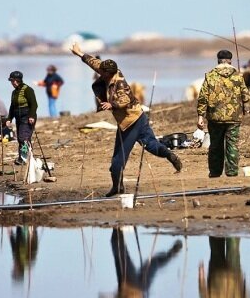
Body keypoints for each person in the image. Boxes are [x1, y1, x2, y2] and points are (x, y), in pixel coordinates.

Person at [70, 43, 181, 197]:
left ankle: (117, 187)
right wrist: (80, 53)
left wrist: (111, 104)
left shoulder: (119, 83)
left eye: (102, 72)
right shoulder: (110, 70)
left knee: (117, 160)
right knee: (151, 144)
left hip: (129, 123)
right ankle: (169, 155)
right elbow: (94, 63)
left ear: (108, 74)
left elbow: (125, 100)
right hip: (139, 117)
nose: (99, 72)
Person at [197, 50, 250, 178]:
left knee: (215, 145)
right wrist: (246, 108)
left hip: (215, 118)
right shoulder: (238, 75)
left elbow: (203, 97)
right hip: (234, 117)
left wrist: (200, 116)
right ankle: (232, 172)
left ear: (218, 60)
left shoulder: (210, 75)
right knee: (232, 145)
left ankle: (215, 173)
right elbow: (245, 94)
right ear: (230, 61)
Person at [5, 71, 37, 165]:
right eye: (11, 81)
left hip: (27, 117)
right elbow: (12, 106)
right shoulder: (14, 92)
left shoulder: (28, 90)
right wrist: (9, 118)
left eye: (12, 81)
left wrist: (31, 116)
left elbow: (34, 104)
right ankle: (25, 157)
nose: (12, 83)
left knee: (23, 138)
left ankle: (24, 158)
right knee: (20, 139)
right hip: (18, 117)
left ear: (16, 81)